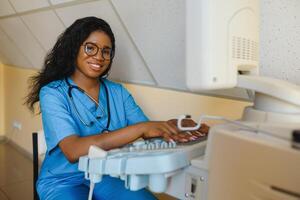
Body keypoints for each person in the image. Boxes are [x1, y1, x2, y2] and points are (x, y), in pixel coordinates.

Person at [25, 16, 206, 200]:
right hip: (62, 181)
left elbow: (146, 129)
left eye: (106, 51)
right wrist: (141, 129)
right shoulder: (53, 93)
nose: (99, 57)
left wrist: (176, 126)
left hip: (106, 175)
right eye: (90, 48)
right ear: (74, 49)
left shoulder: (117, 92)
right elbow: (73, 151)